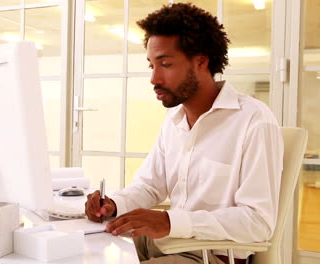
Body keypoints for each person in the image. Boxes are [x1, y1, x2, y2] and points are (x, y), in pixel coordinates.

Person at [84, 3, 283, 264]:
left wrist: (170, 221)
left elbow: (258, 222)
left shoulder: (253, 121)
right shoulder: (174, 120)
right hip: (163, 244)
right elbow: (149, 185)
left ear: (201, 61)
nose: (154, 78)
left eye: (165, 64)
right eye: (151, 65)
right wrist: (114, 204)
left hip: (209, 255)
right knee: (79, 251)